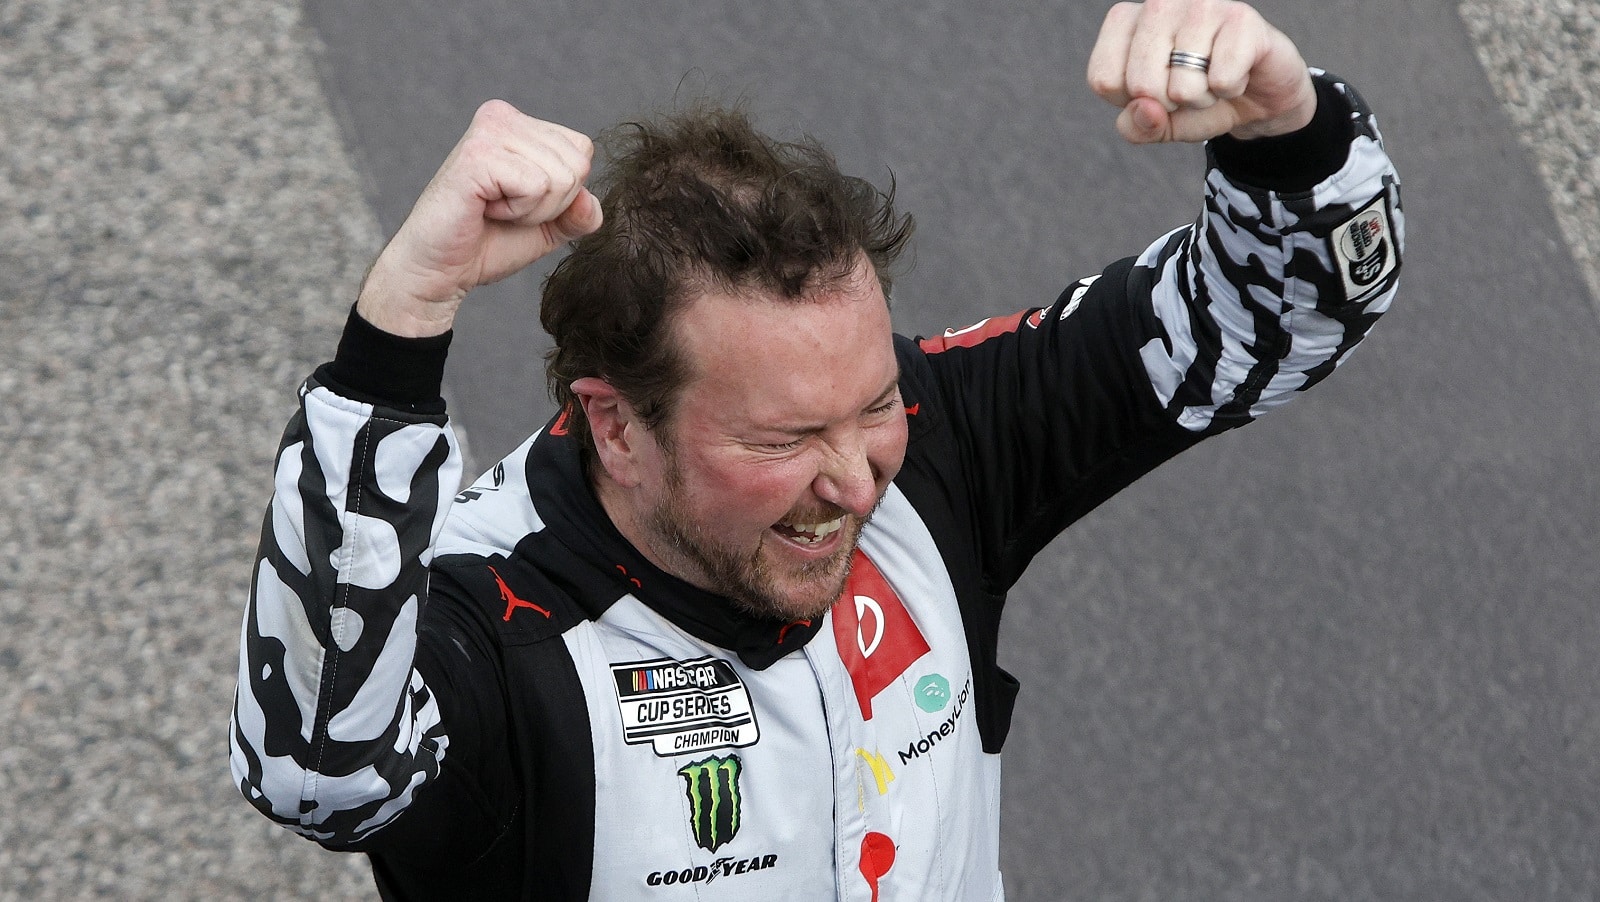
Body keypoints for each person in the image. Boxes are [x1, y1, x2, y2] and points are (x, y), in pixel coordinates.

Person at [231, 1, 1403, 898]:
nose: (855, 479)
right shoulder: (498, 618)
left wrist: (1281, 128)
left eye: (873, 400)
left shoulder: (937, 444)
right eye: (784, 437)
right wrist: (400, 319)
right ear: (616, 426)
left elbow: (1277, 318)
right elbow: (315, 767)